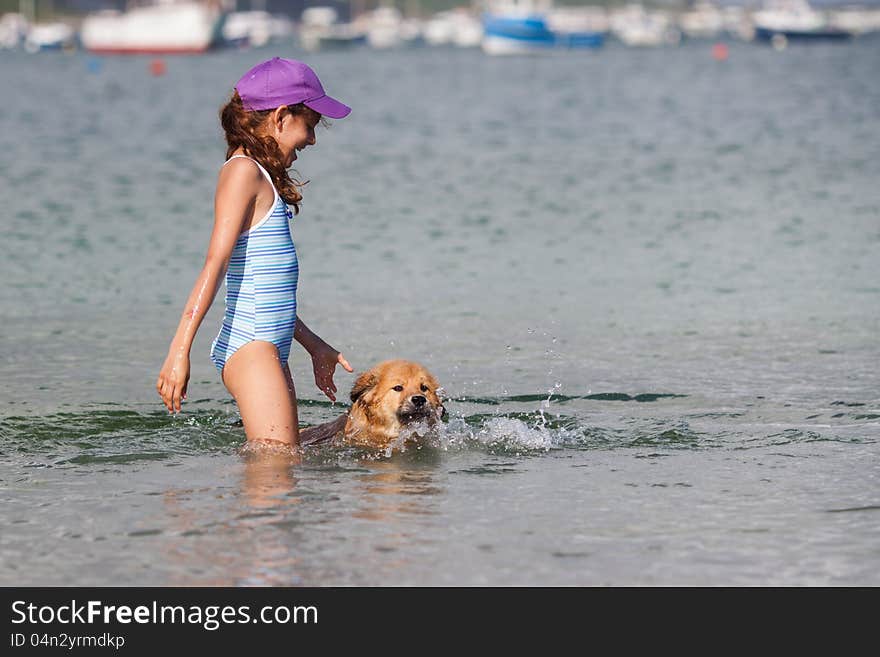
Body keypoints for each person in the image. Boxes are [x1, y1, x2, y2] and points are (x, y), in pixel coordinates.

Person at [156, 57, 353, 448]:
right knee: (276, 471)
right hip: (252, 346)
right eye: (310, 125)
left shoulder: (262, 179)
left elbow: (263, 288)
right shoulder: (242, 172)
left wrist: (314, 345)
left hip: (269, 344)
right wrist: (179, 353)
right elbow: (214, 265)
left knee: (288, 458)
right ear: (281, 117)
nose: (312, 140)